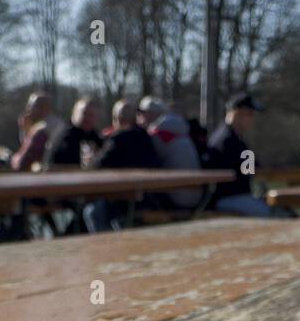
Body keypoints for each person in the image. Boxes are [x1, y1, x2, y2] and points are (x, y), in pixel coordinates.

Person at [84, 99, 160, 233]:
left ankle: (107, 250)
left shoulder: (117, 139)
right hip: (151, 198)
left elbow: (98, 166)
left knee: (92, 211)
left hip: (127, 201)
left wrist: (91, 159)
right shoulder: (146, 137)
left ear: (117, 119)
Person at [205, 93, 273, 217]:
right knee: (274, 214)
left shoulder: (231, 136)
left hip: (234, 197)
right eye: (250, 114)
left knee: (274, 207)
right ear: (237, 113)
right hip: (227, 199)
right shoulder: (227, 139)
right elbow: (255, 170)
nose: (252, 119)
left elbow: (253, 167)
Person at [137, 96, 203, 208]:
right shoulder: (181, 127)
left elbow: (147, 167)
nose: (140, 117)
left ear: (150, 114)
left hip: (177, 197)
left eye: (142, 113)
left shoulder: (157, 134)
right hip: (197, 196)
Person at [50, 97, 103, 167]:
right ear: (74, 113)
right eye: (84, 113)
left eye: (91, 115)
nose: (87, 118)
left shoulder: (96, 136)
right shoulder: (63, 135)